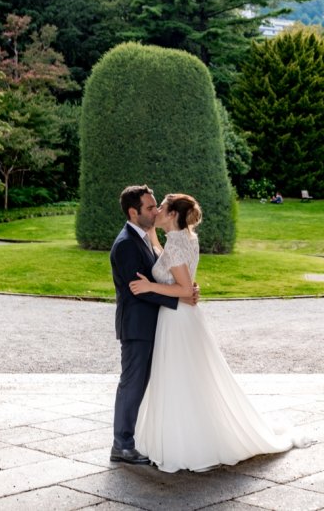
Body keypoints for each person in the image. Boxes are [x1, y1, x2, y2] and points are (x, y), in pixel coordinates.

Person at [129, 192, 309, 473]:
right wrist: (153, 238)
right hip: (184, 318)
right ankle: (195, 435)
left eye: (161, 208)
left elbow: (185, 289)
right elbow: (174, 269)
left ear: (173, 215)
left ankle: (186, 443)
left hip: (177, 319)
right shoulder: (184, 238)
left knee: (180, 379)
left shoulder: (176, 244)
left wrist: (150, 287)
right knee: (190, 379)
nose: (156, 212)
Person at [109, 184, 198, 466]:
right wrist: (182, 298)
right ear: (134, 212)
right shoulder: (126, 245)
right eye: (150, 207)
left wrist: (184, 290)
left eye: (157, 205)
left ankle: (137, 441)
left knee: (146, 384)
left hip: (153, 325)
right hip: (137, 327)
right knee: (132, 385)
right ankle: (122, 445)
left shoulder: (146, 237)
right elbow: (142, 290)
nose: (155, 210)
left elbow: (161, 274)